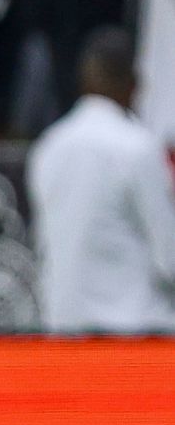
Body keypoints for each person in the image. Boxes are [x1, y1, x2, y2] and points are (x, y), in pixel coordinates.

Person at [27, 28, 175, 335]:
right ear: (134, 83)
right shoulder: (138, 147)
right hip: (135, 334)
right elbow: (169, 257)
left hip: (64, 327)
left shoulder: (48, 147)